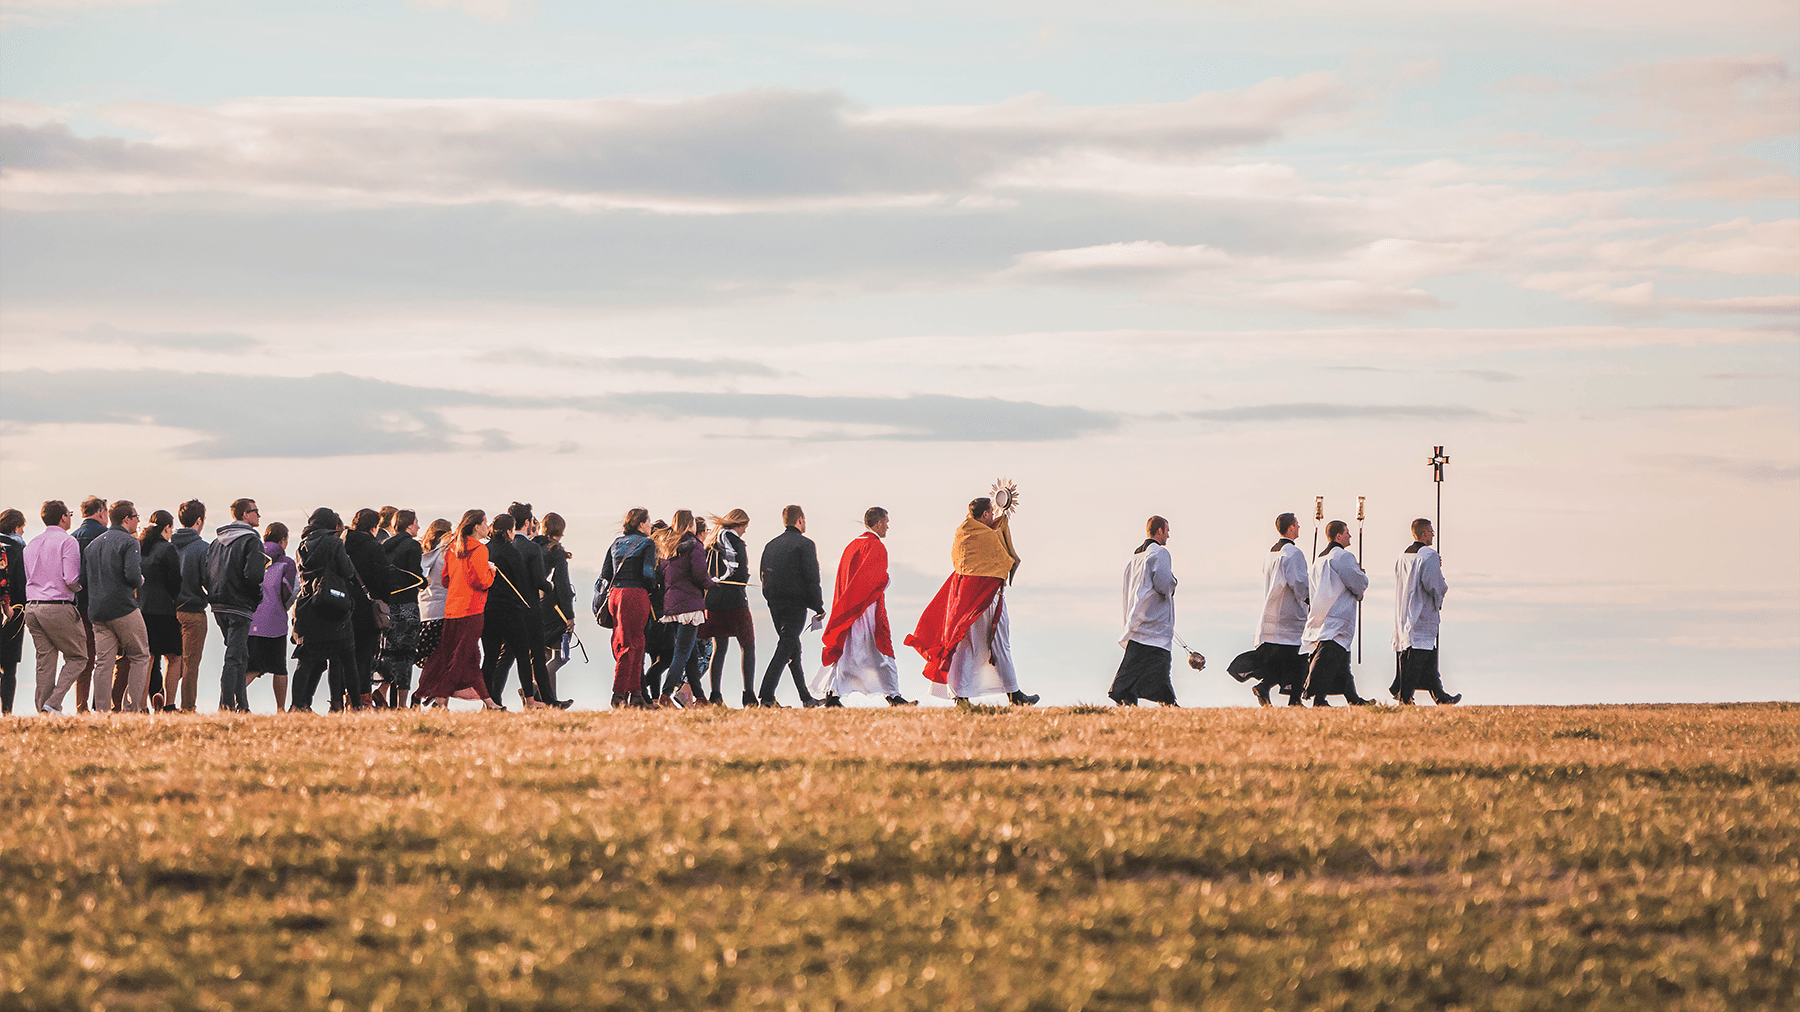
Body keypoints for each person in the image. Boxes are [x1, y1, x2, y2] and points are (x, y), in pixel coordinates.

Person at [906, 497, 1039, 707]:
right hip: (986, 599)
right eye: (991, 515)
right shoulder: (984, 536)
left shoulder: (963, 532)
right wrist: (1003, 531)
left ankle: (961, 697)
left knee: (965, 647)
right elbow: (1004, 559)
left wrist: (1002, 523)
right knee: (999, 644)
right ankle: (1014, 695)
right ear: (985, 514)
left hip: (965, 600)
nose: (993, 518)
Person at [811, 507, 912, 708]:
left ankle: (833, 694)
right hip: (868, 609)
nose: (888, 526)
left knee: (845, 649)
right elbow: (876, 579)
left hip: (848, 608)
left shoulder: (851, 546)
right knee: (880, 649)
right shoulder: (876, 547)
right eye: (886, 522)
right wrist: (887, 580)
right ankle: (893, 694)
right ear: (879, 523)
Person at [415, 510, 502, 709]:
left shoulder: (454, 548)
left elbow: (445, 580)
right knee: (463, 657)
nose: (487, 526)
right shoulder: (479, 549)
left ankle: (489, 703)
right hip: (472, 608)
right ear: (477, 526)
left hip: (452, 608)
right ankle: (438, 695)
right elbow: (481, 581)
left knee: (463, 656)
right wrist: (492, 571)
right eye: (485, 522)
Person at [1227, 513, 1311, 707]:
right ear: (1290, 528)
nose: (1299, 527)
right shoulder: (1293, 553)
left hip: (1271, 615)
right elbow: (1298, 583)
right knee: (1299, 658)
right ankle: (1295, 699)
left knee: (1281, 661)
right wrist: (1309, 597)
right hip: (1290, 616)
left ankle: (1265, 687)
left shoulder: (1271, 553)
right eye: (1297, 524)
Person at [82, 501, 150, 712]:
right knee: (140, 654)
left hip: (97, 610)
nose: (138, 520)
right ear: (127, 519)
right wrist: (140, 579)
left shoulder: (92, 545)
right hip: (122, 607)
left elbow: (85, 578)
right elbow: (131, 576)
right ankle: (131, 708)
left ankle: (102, 711)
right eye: (136, 516)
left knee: (103, 662)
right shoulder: (129, 542)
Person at [291, 509, 359, 713]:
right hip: (333, 606)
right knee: (347, 658)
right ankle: (356, 706)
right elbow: (347, 571)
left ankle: (298, 705)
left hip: (308, 607)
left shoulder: (302, 545)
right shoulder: (334, 542)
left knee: (307, 660)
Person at [22, 500, 86, 713]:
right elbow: (71, 578)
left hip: (32, 607)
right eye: (69, 513)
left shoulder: (31, 543)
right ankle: (54, 702)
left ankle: (43, 710)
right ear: (63, 517)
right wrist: (81, 587)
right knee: (78, 656)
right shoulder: (67, 542)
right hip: (57, 605)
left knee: (45, 662)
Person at [757, 505, 824, 708]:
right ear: (800, 520)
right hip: (795, 604)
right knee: (787, 646)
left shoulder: (771, 545)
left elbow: (763, 574)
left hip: (774, 603)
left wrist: (769, 597)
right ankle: (766, 695)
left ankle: (806, 698)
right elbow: (812, 577)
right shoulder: (805, 545)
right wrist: (818, 606)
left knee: (793, 649)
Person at [203, 498, 267, 713]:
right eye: (255, 511)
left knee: (240, 654)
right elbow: (255, 574)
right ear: (245, 515)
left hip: (219, 603)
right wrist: (255, 598)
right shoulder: (252, 541)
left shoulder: (217, 542)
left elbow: (206, 572)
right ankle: (227, 705)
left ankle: (243, 704)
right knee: (234, 656)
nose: (259, 515)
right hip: (240, 604)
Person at [1302, 520, 1374, 706]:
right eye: (1347, 532)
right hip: (1337, 616)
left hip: (1320, 614)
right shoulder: (1343, 557)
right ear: (1338, 536)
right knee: (1329, 660)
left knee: (1342, 663)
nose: (1350, 535)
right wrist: (1362, 575)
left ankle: (1353, 699)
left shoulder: (1318, 560)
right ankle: (1317, 698)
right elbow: (1357, 582)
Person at [1110, 515, 1180, 707]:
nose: (1168, 535)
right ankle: (1165, 701)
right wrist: (1174, 583)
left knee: (1136, 664)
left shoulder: (1135, 557)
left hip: (1137, 616)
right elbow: (1163, 583)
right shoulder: (1159, 553)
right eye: (1167, 531)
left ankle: (1127, 694)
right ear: (1159, 531)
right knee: (1160, 663)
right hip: (1154, 621)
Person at [480, 513, 547, 709]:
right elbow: (521, 581)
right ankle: (530, 699)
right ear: (509, 531)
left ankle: (489, 701)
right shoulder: (512, 552)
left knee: (490, 657)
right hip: (510, 609)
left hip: (488, 608)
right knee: (522, 655)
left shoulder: (485, 550)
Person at [1391, 518, 1460, 706]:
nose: (1433, 534)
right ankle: (1405, 697)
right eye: (1431, 531)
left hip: (1404, 611)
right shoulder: (1428, 555)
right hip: (1421, 612)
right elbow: (1434, 584)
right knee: (1418, 657)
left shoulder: (1403, 556)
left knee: (1428, 657)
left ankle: (1440, 696)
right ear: (1424, 533)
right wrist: (1442, 590)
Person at [654, 510, 715, 707]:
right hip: (690, 606)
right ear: (690, 525)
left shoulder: (668, 546)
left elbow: (662, 576)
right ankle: (665, 694)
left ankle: (700, 697)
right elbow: (699, 573)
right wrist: (710, 584)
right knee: (682, 651)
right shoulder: (695, 546)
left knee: (690, 654)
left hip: (671, 606)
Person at [504, 503, 560, 708]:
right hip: (531, 606)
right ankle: (546, 699)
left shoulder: (504, 546)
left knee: (507, 657)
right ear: (527, 522)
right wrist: (550, 585)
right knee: (537, 654)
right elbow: (538, 580)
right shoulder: (531, 547)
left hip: (508, 607)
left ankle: (494, 697)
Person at [600, 508, 656, 709]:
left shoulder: (615, 543)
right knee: (631, 644)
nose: (651, 526)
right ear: (641, 524)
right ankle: (618, 694)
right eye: (649, 522)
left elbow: (606, 573)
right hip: (634, 594)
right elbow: (648, 573)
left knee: (633, 642)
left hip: (615, 595)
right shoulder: (647, 543)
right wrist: (654, 588)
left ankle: (637, 695)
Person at [701, 509, 756, 707]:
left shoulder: (711, 542)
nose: (744, 532)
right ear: (739, 525)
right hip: (734, 601)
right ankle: (748, 694)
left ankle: (715, 694)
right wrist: (746, 580)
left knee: (720, 647)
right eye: (745, 527)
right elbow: (740, 573)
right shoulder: (736, 542)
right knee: (747, 645)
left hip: (713, 601)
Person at [343, 508, 395, 709]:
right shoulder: (373, 547)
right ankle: (363, 701)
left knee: (347, 657)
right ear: (374, 527)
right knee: (364, 657)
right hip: (367, 608)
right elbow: (383, 579)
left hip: (344, 607)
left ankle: (346, 700)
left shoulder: (343, 543)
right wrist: (385, 599)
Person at [136, 510, 185, 712]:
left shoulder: (141, 548)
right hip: (164, 610)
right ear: (167, 528)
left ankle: (140, 706)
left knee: (147, 658)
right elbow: (176, 581)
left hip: (142, 610)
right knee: (175, 657)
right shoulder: (167, 549)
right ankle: (170, 704)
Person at [376, 509, 425, 708]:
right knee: (406, 653)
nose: (419, 527)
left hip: (389, 606)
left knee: (389, 652)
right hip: (407, 605)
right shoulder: (412, 546)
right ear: (408, 525)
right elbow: (416, 576)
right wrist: (425, 582)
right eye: (416, 523)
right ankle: (402, 704)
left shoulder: (384, 546)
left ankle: (382, 692)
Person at [248, 521, 298, 712]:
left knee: (251, 667)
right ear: (284, 541)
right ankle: (280, 709)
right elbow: (290, 592)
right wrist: (283, 608)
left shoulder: (254, 557)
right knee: (279, 667)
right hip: (275, 621)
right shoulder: (286, 563)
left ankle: (232, 698)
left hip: (252, 619)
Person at [70, 495, 110, 713]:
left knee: (84, 657)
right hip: (102, 605)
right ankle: (104, 704)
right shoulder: (106, 536)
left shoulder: (71, 538)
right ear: (101, 512)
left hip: (77, 605)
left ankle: (81, 705)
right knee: (106, 657)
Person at [171, 499, 209, 712]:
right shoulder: (203, 548)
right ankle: (187, 707)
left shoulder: (168, 545)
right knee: (190, 663)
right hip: (193, 610)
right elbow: (209, 580)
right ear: (199, 521)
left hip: (169, 611)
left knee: (172, 661)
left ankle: (167, 699)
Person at [535, 512, 577, 707]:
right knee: (561, 656)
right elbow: (562, 583)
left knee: (542, 654)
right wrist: (569, 615)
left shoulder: (534, 545)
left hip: (535, 605)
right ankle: (538, 689)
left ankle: (548, 699)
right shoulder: (556, 551)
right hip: (555, 608)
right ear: (561, 531)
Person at [415, 519, 454, 678]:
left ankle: (426, 693)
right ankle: (433, 694)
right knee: (442, 658)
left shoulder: (425, 553)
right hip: (442, 610)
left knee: (429, 659)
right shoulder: (445, 554)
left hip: (424, 611)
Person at [0, 509, 28, 715]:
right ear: (15, 527)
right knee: (9, 667)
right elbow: (19, 583)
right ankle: (7, 711)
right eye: (22, 528)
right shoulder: (17, 549)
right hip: (12, 611)